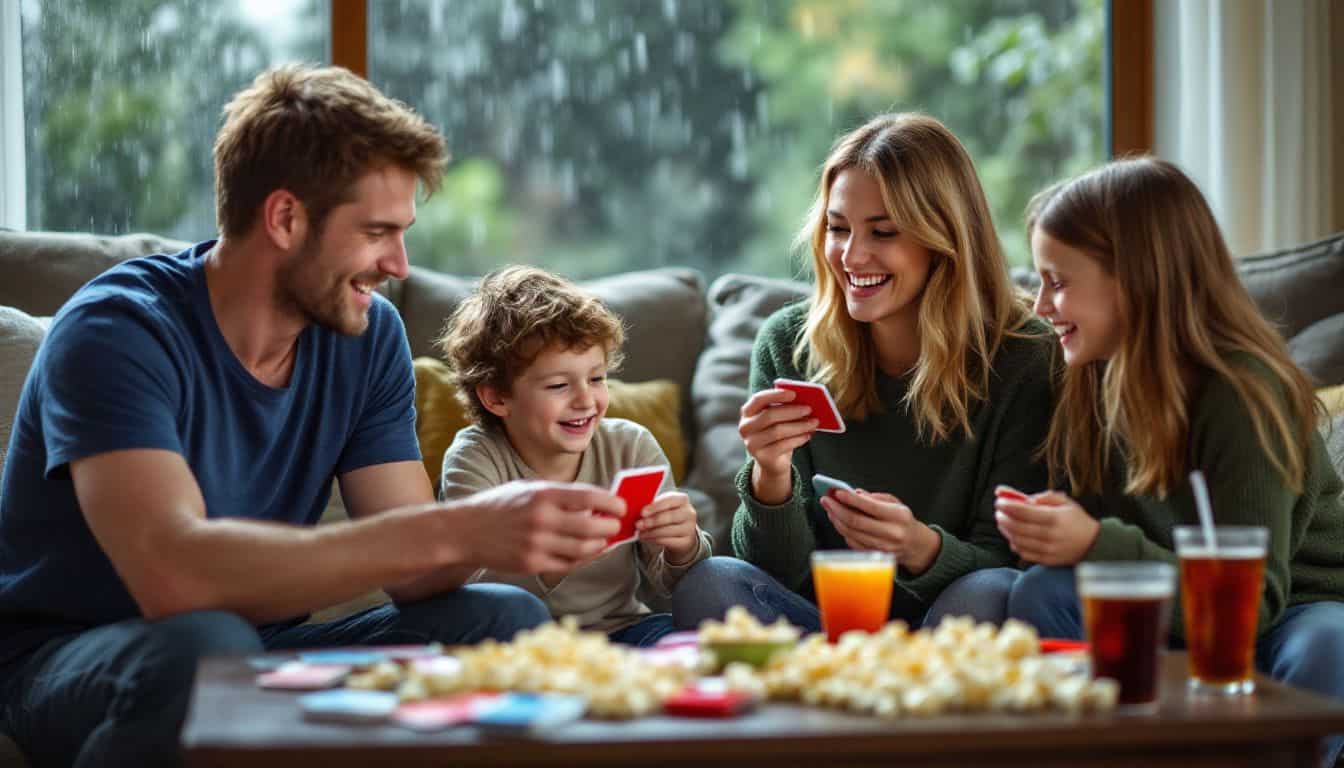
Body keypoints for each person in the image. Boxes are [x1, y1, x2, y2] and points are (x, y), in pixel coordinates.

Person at [0, 65, 624, 767]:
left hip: (256, 642)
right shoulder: (117, 330)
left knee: (501, 619)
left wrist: (520, 523)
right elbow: (175, 580)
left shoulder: (368, 337)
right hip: (71, 658)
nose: (398, 263)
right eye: (378, 232)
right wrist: (459, 526)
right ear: (286, 218)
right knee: (207, 649)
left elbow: (416, 578)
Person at [991, 157, 1344, 766]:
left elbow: (1254, 606)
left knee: (1328, 642)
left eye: (1058, 281)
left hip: (1285, 614)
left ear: (1136, 280)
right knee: (1041, 592)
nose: (1042, 305)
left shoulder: (1243, 395)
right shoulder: (1086, 379)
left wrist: (1095, 543)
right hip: (1164, 607)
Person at [672, 113, 1056, 633]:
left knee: (996, 593)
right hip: (821, 626)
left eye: (883, 232)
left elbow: (1016, 563)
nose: (852, 255)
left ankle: (887, 689)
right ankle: (850, 684)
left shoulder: (1025, 357)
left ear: (943, 238)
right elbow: (772, 572)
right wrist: (771, 476)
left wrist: (920, 547)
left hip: (949, 627)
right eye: (837, 228)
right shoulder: (788, 344)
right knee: (712, 581)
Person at [436, 266, 713, 647]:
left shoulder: (631, 445)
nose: (586, 400)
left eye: (597, 378)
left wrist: (683, 546)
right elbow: (471, 594)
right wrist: (554, 558)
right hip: (521, 645)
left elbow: (674, 583)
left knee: (690, 638)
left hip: (623, 631)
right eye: (558, 385)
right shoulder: (474, 459)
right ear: (497, 397)